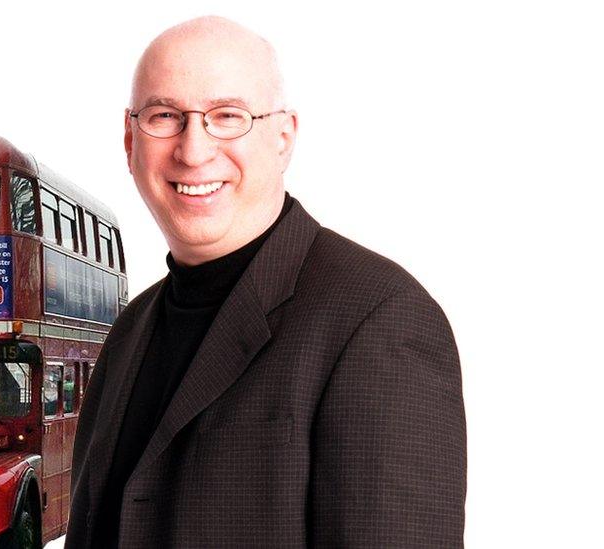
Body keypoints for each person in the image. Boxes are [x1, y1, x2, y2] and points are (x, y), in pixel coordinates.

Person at [66, 16, 466, 549]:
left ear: (283, 138)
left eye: (227, 116)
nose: (193, 150)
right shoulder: (127, 333)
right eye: (165, 116)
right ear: (129, 139)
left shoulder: (379, 321)